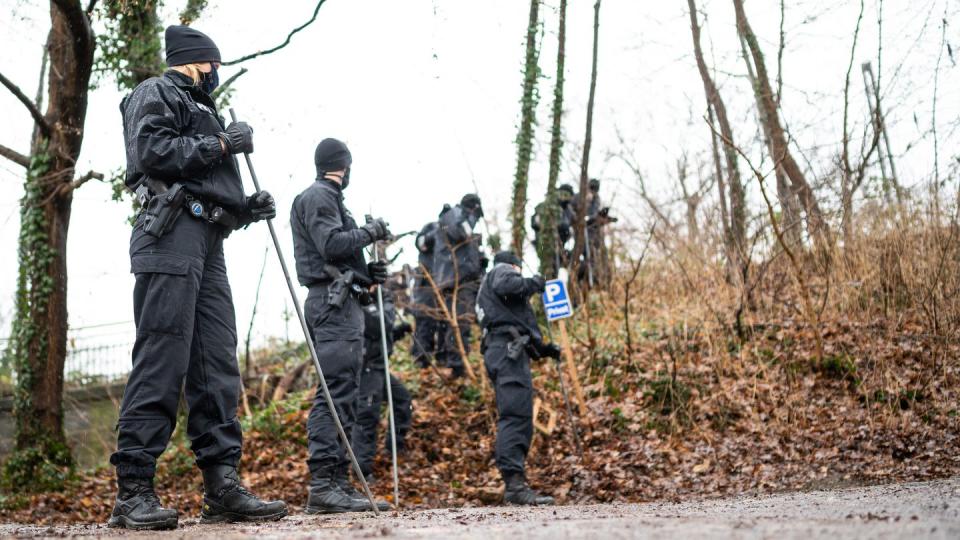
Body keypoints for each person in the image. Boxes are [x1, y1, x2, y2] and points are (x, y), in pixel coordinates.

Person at [109, 25, 286, 530]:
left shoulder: (204, 108)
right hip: (168, 237)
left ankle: (222, 486)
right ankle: (134, 490)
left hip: (209, 242)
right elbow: (152, 153)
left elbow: (206, 183)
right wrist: (222, 144)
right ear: (200, 62)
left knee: (215, 363)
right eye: (215, 65)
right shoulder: (155, 91)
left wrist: (246, 207)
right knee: (163, 355)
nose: (217, 74)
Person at [290, 138, 391, 513]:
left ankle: (338, 482)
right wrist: (371, 232)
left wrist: (368, 275)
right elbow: (331, 244)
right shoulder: (319, 196)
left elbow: (340, 256)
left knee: (344, 391)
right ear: (344, 166)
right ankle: (323, 484)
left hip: (343, 301)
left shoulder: (328, 199)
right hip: (330, 305)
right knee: (333, 392)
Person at [476, 251, 561, 505]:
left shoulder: (489, 289)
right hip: (507, 354)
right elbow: (508, 286)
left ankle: (515, 482)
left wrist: (542, 349)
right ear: (513, 265)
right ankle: (514, 484)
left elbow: (511, 322)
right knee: (515, 415)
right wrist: (535, 282)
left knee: (517, 413)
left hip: (504, 352)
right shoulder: (501, 272)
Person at [354, 289, 414, 483]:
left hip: (379, 367)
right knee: (367, 415)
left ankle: (394, 446)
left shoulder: (381, 299)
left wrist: (397, 332)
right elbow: (375, 327)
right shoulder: (362, 301)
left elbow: (380, 333)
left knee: (402, 399)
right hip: (368, 368)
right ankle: (362, 469)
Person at [432, 194, 485, 377]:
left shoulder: (458, 215)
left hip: (460, 277)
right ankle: (457, 366)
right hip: (456, 278)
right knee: (460, 321)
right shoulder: (455, 214)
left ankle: (456, 363)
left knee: (461, 321)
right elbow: (461, 232)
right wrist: (472, 216)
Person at [410, 215, 443, 369]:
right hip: (426, 283)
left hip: (441, 282)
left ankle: (427, 357)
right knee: (425, 321)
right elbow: (421, 243)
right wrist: (437, 230)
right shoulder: (431, 227)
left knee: (437, 323)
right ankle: (421, 359)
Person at [530, 183, 576, 277]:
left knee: (555, 270)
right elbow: (535, 223)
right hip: (544, 243)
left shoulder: (568, 211)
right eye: (564, 194)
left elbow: (572, 228)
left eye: (568, 196)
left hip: (559, 246)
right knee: (547, 269)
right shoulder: (545, 206)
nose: (565, 198)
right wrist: (553, 225)